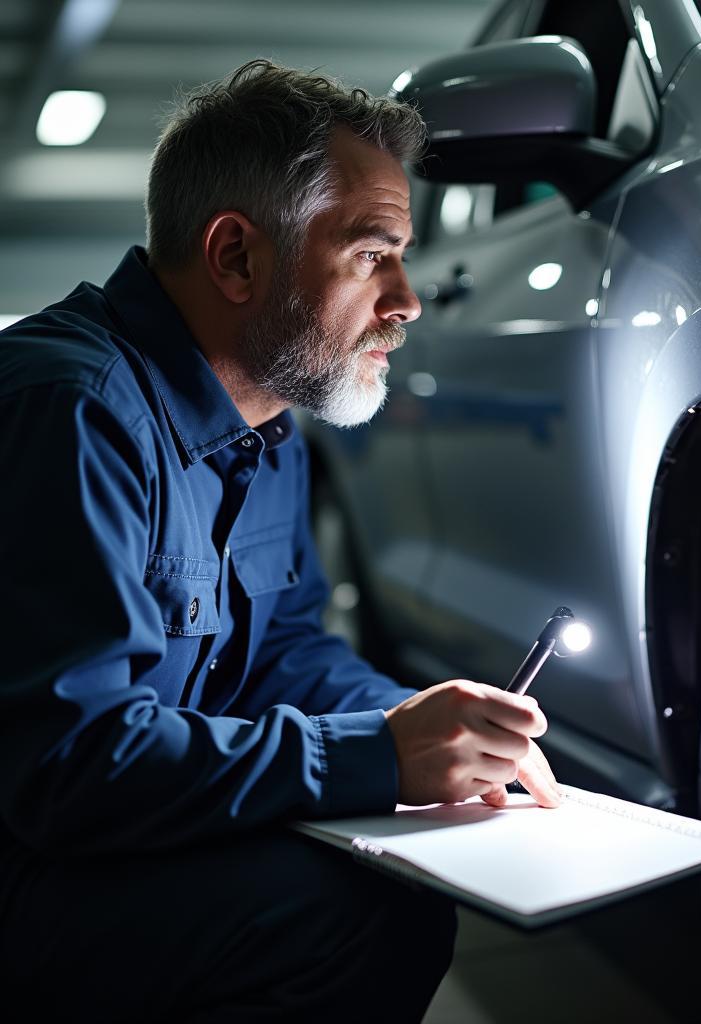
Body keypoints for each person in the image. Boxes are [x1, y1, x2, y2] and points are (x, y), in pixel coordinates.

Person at [0, 60, 560, 1022]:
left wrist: (430, 726)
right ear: (236, 258)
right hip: (27, 874)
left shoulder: (265, 430)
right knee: (356, 914)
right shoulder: (73, 412)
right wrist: (378, 757)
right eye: (371, 254)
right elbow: (75, 767)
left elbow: (287, 650)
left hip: (102, 845)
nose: (408, 300)